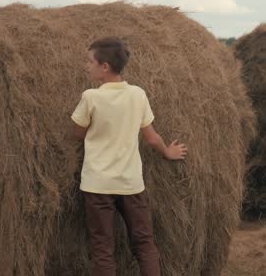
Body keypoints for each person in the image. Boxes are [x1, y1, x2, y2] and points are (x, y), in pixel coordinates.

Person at [69, 37, 188, 276]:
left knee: (103, 247)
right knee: (144, 243)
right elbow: (151, 137)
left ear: (104, 67)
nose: (86, 65)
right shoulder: (137, 94)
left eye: (90, 61)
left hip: (98, 184)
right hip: (131, 184)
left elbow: (77, 134)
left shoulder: (91, 97)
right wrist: (168, 152)